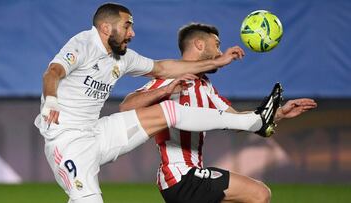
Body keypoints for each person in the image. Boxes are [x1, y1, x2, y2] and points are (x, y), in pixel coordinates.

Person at [34, 3, 282, 203]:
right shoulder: (83, 43)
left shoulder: (122, 58)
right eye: (127, 25)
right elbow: (53, 72)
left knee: (169, 111)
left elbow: (164, 67)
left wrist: (217, 62)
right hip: (67, 143)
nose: (132, 32)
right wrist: (51, 101)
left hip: (96, 133)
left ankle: (255, 121)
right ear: (106, 27)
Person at [120, 23, 317, 203]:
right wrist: (164, 91)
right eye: (216, 45)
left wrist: (280, 113)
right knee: (259, 194)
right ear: (199, 44)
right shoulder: (170, 78)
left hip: (190, 176)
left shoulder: (205, 86)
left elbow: (239, 121)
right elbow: (126, 106)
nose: (220, 52)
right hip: (180, 175)